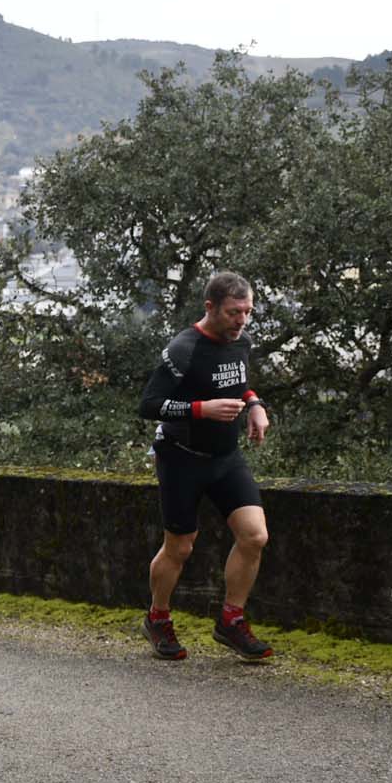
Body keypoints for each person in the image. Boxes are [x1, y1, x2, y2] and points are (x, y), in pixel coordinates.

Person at [138, 271, 273, 661]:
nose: (242, 321)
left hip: (225, 457)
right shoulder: (184, 349)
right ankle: (158, 617)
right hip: (181, 458)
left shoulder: (241, 341)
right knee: (179, 547)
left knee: (255, 536)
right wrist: (201, 409)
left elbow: (238, 384)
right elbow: (148, 405)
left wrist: (254, 405)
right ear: (210, 307)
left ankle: (231, 621)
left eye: (247, 312)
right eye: (234, 312)